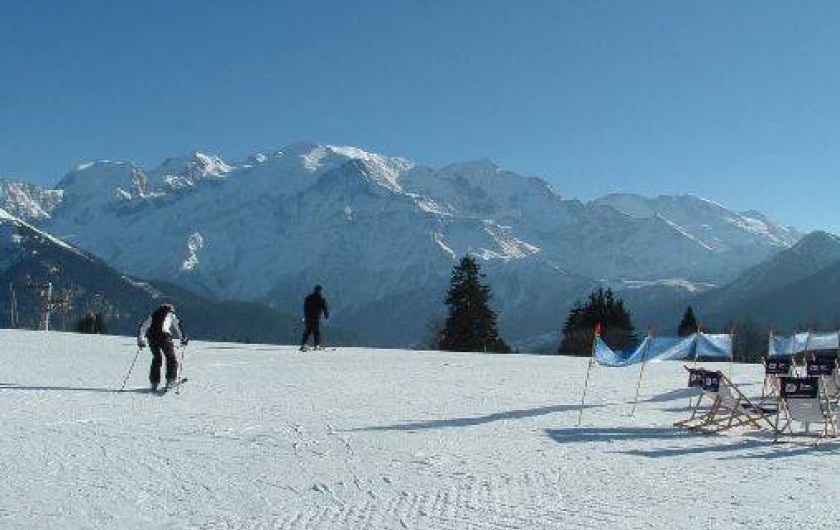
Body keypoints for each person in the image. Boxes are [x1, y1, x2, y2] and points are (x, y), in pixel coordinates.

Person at [137, 303, 188, 390]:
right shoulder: (171, 315)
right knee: (171, 358)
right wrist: (183, 339)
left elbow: (143, 327)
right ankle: (171, 380)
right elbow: (178, 327)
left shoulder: (154, 314)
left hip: (152, 337)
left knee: (157, 358)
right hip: (164, 336)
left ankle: (154, 382)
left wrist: (141, 339)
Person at [300, 285, 329, 351]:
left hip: (308, 317)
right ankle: (316, 345)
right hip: (316, 318)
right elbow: (325, 308)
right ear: (320, 291)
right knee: (316, 332)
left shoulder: (308, 297)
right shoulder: (321, 298)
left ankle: (303, 344)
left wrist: (305, 316)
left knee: (308, 331)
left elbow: (305, 307)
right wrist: (326, 316)